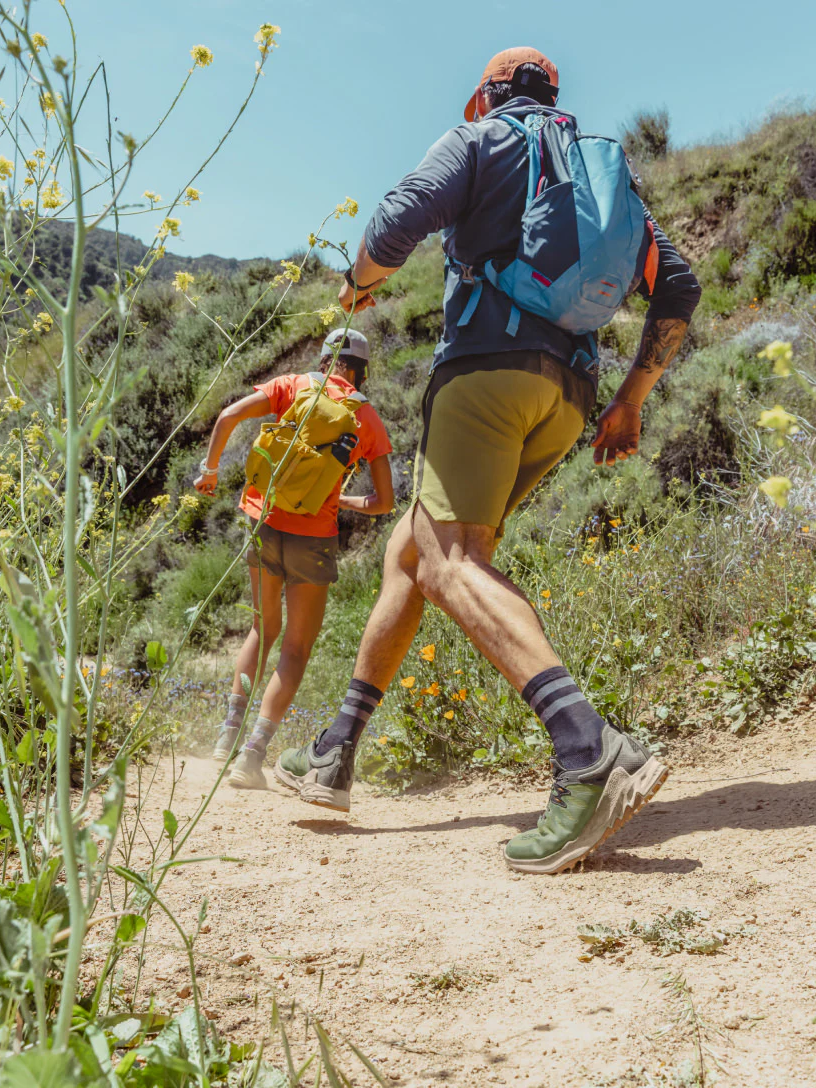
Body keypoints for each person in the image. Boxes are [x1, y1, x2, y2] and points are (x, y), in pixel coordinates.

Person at [274, 47, 701, 872]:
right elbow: (675, 287)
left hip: (485, 377)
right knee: (416, 550)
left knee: (450, 561)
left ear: (488, 95)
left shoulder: (483, 138)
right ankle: (335, 749)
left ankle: (589, 749)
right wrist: (631, 400)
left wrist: (359, 281)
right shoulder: (598, 171)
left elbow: (398, 220)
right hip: (568, 397)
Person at [195, 328, 394, 790]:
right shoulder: (366, 416)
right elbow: (384, 502)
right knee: (296, 649)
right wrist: (341, 501)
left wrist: (209, 471)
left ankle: (225, 741)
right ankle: (252, 756)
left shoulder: (293, 386)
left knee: (261, 629)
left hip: (262, 522)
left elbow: (227, 416)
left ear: (324, 360)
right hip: (313, 538)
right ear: (360, 370)